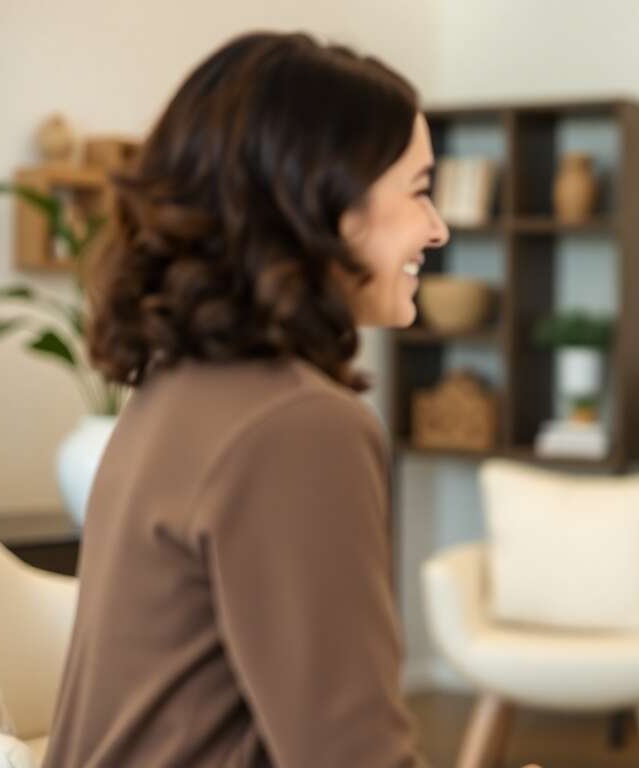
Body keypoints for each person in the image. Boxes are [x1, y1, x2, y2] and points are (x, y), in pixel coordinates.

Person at [45, 31, 447, 767]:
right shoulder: (300, 427)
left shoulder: (169, 389)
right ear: (321, 200)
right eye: (420, 191)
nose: (439, 227)